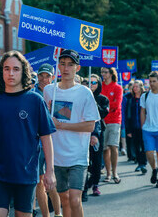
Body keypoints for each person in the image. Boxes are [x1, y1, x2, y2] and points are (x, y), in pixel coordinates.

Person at [0, 51, 56, 217]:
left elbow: (46, 138)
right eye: (6, 69)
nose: (10, 73)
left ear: (23, 72)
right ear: (1, 72)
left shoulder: (35, 100)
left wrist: (50, 171)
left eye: (15, 69)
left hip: (26, 174)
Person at [44, 49, 100, 217]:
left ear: (78, 68)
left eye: (70, 65)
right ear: (58, 66)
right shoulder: (49, 90)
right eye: (62, 64)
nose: (66, 68)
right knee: (65, 200)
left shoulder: (85, 93)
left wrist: (62, 125)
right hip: (56, 156)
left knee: (75, 200)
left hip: (78, 157)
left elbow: (90, 126)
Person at [33, 63, 62, 217]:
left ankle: (58, 213)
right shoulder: (32, 94)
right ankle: (46, 215)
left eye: (47, 76)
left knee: (51, 181)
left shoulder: (58, 93)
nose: (44, 79)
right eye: (41, 76)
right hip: (37, 143)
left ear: (52, 77)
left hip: (54, 142)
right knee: (39, 182)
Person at [82, 74, 109, 201]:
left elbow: (103, 113)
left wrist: (93, 100)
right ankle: (84, 187)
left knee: (97, 161)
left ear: (98, 84)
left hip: (98, 132)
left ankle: (95, 184)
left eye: (94, 82)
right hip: (83, 132)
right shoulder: (82, 96)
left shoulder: (103, 99)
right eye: (89, 82)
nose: (91, 84)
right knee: (85, 161)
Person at [101, 67, 123, 184]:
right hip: (103, 120)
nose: (103, 74)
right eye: (102, 72)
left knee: (113, 146)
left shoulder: (117, 87)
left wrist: (105, 104)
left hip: (115, 120)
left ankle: (115, 172)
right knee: (105, 148)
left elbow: (116, 104)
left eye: (105, 72)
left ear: (111, 74)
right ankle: (108, 173)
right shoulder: (101, 86)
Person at [125, 80, 147, 173]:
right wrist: (128, 130)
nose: (135, 88)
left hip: (145, 126)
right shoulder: (130, 99)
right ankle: (139, 163)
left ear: (141, 87)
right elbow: (128, 115)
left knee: (144, 145)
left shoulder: (145, 98)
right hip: (134, 126)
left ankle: (144, 162)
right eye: (133, 87)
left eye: (137, 86)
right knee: (136, 146)